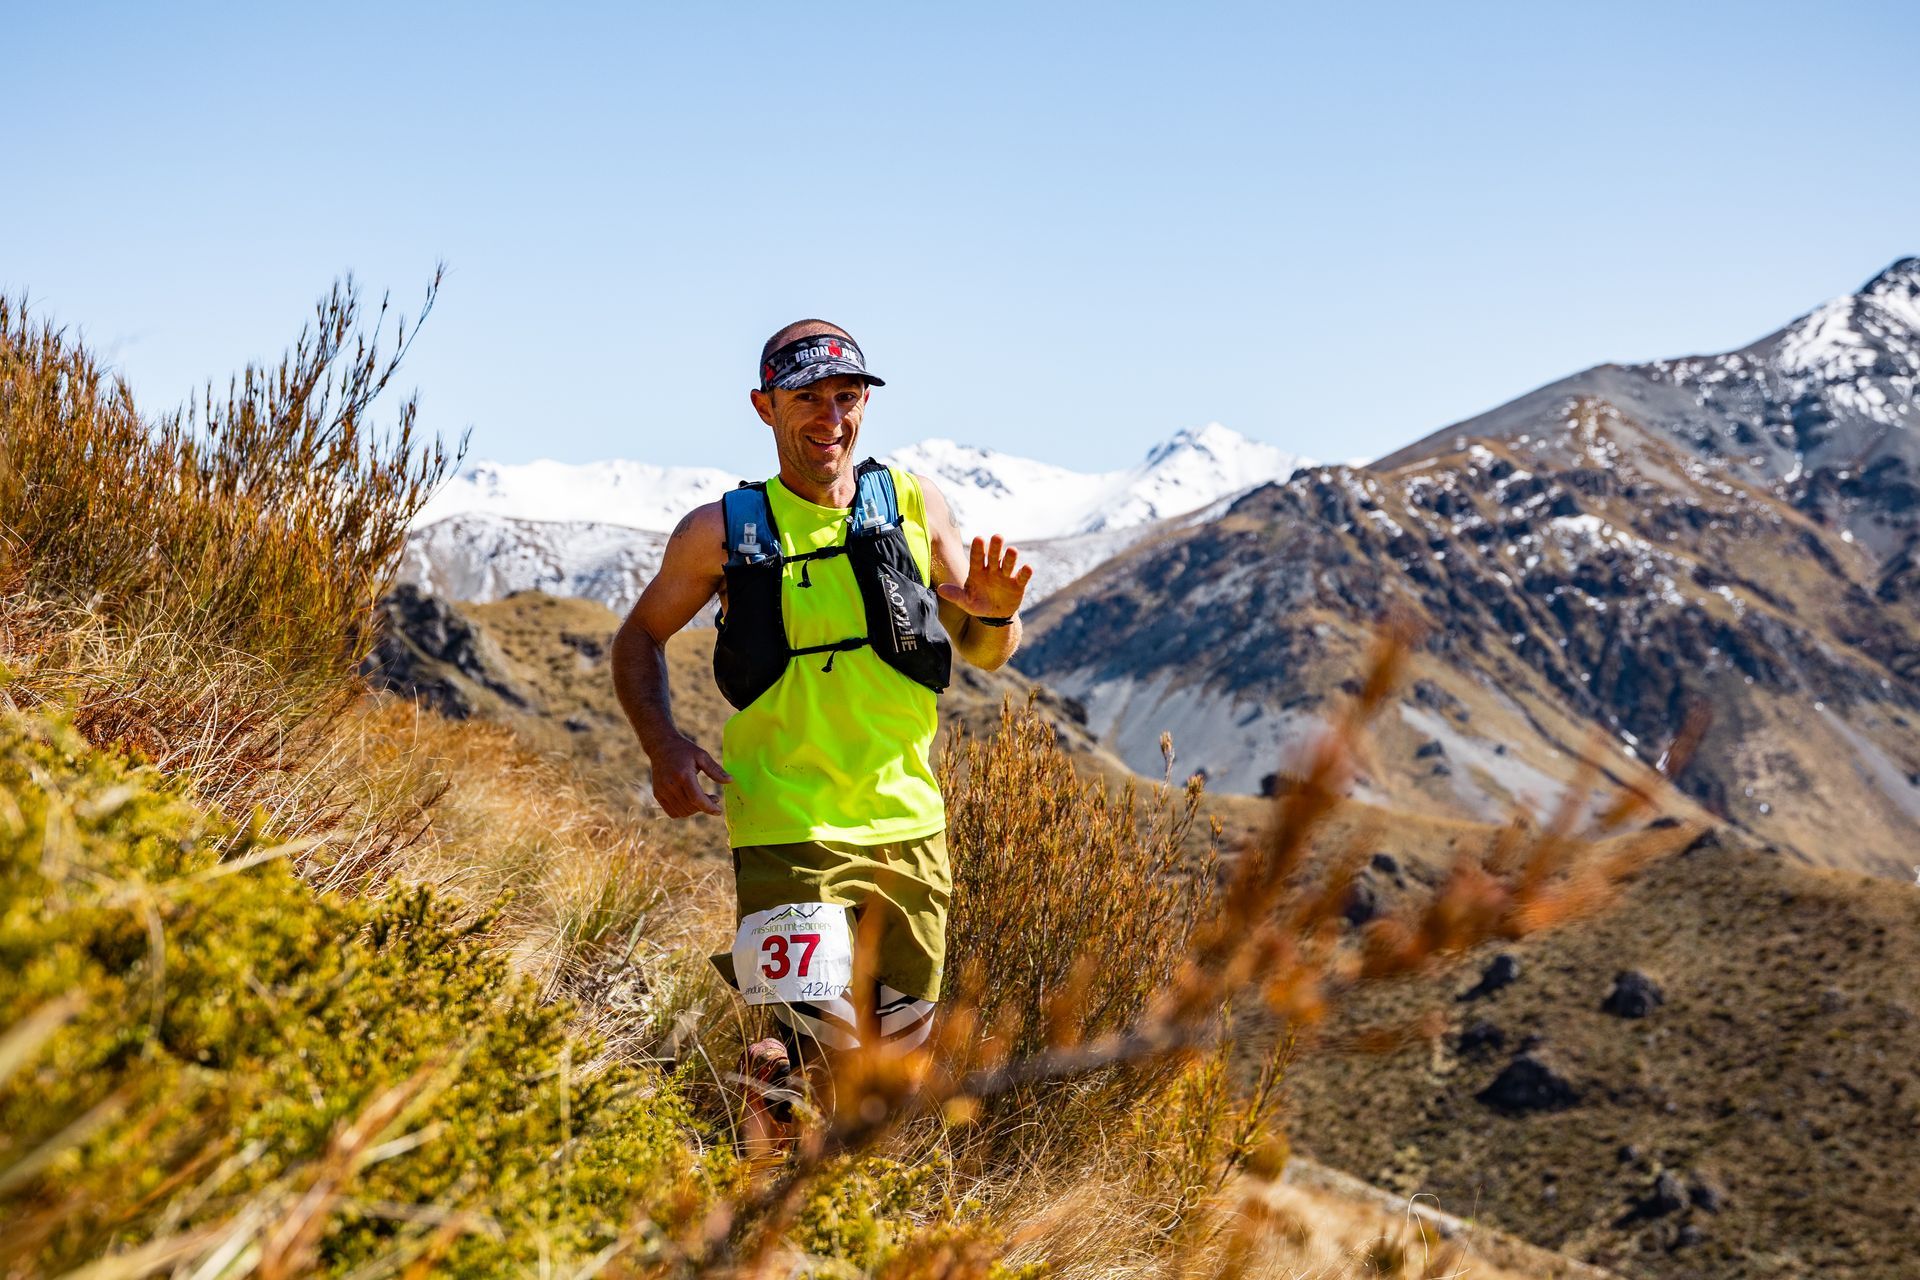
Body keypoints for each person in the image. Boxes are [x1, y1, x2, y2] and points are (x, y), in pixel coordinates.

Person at [610, 319, 1031, 1148]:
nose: (830, 417)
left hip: (912, 832)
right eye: (807, 398)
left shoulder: (915, 505)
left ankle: (827, 1205)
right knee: (819, 1047)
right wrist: (664, 745)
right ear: (765, 407)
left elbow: (984, 650)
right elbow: (638, 637)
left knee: (889, 1080)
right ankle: (765, 1170)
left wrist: (999, 612)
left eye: (846, 397)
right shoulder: (720, 531)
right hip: (788, 826)